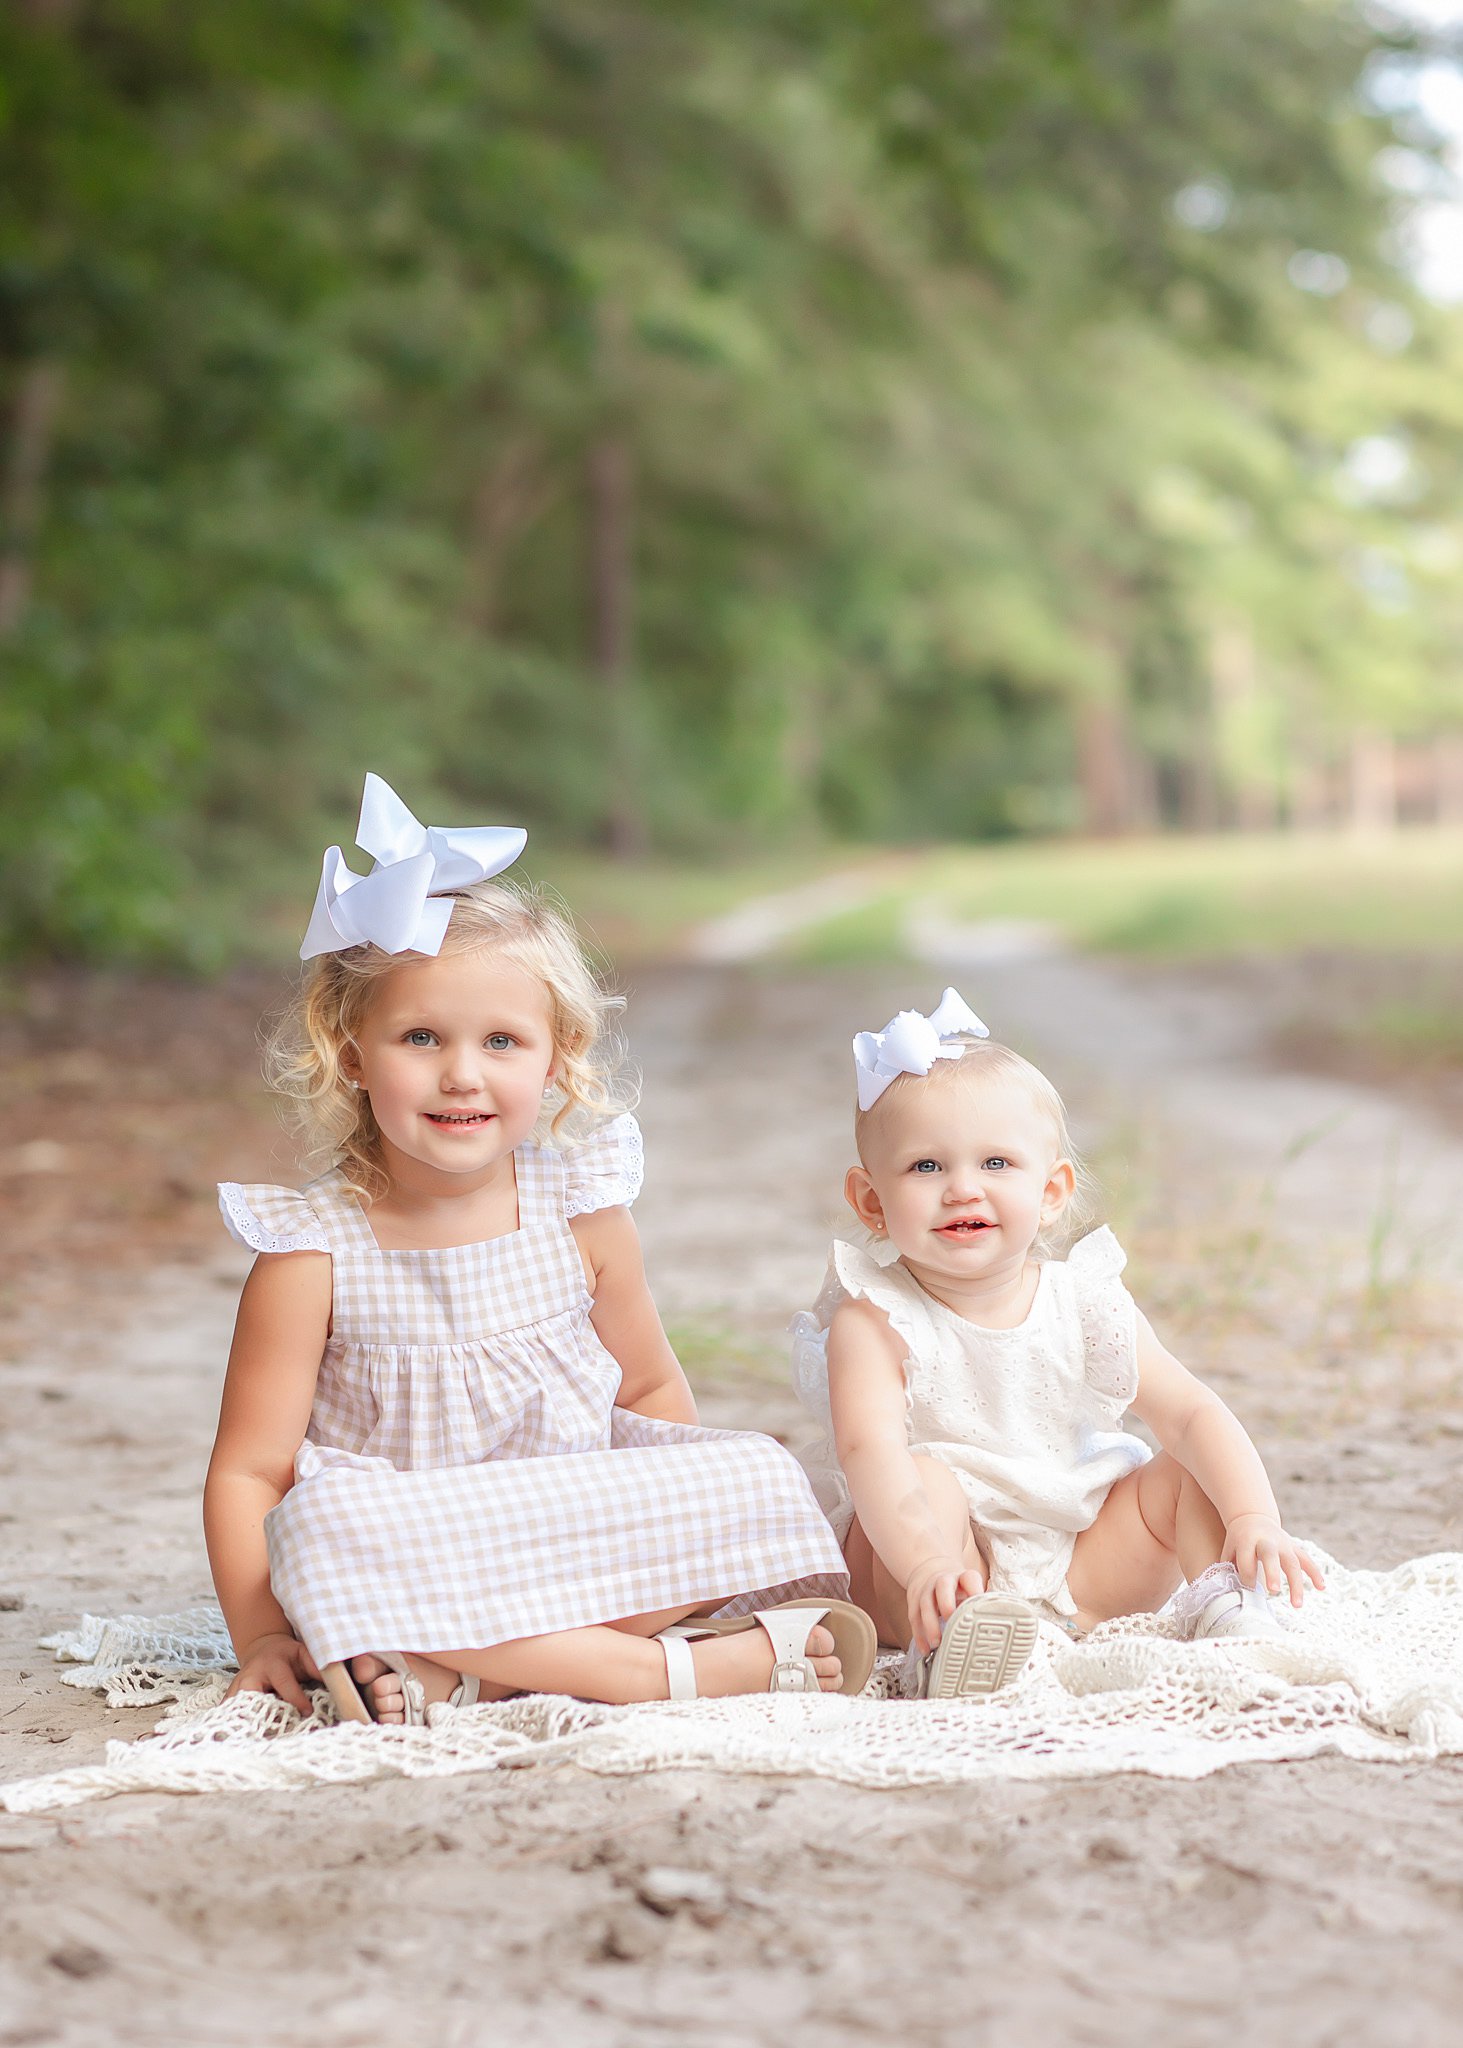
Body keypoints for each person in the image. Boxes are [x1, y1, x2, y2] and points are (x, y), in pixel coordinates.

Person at [205, 774, 873, 1724]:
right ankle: (654, 1673)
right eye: (421, 1036)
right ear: (352, 1052)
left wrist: (681, 1510)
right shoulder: (312, 1250)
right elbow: (247, 1471)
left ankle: (459, 1668)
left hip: (563, 1523)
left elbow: (645, 1393)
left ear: (556, 1056)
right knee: (321, 1523)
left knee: (755, 1468)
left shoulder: (581, 1212)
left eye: (503, 1042)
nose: (462, 1074)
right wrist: (261, 1636)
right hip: (413, 1541)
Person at [791, 987, 1323, 1699]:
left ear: (1050, 1193)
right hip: (923, 1562)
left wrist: (1253, 1518)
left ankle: (1224, 1605)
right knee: (928, 1479)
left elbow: (1190, 1413)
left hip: (1079, 1561)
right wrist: (923, 1567)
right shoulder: (875, 1318)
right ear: (870, 1203)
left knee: (1180, 1472)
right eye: (926, 1167)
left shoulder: (1084, 1301)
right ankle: (945, 1642)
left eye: (995, 1165)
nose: (960, 1190)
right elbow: (872, 1455)